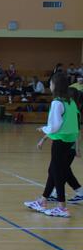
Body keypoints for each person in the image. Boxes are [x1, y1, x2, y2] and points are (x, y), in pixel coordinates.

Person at [24, 73, 81, 218]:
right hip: (69, 140)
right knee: (54, 170)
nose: (49, 86)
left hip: (60, 140)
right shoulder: (71, 101)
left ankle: (62, 207)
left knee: (57, 173)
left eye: (50, 83)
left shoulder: (57, 102)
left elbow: (54, 126)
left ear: (55, 85)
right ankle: (42, 201)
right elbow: (74, 124)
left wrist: (44, 129)